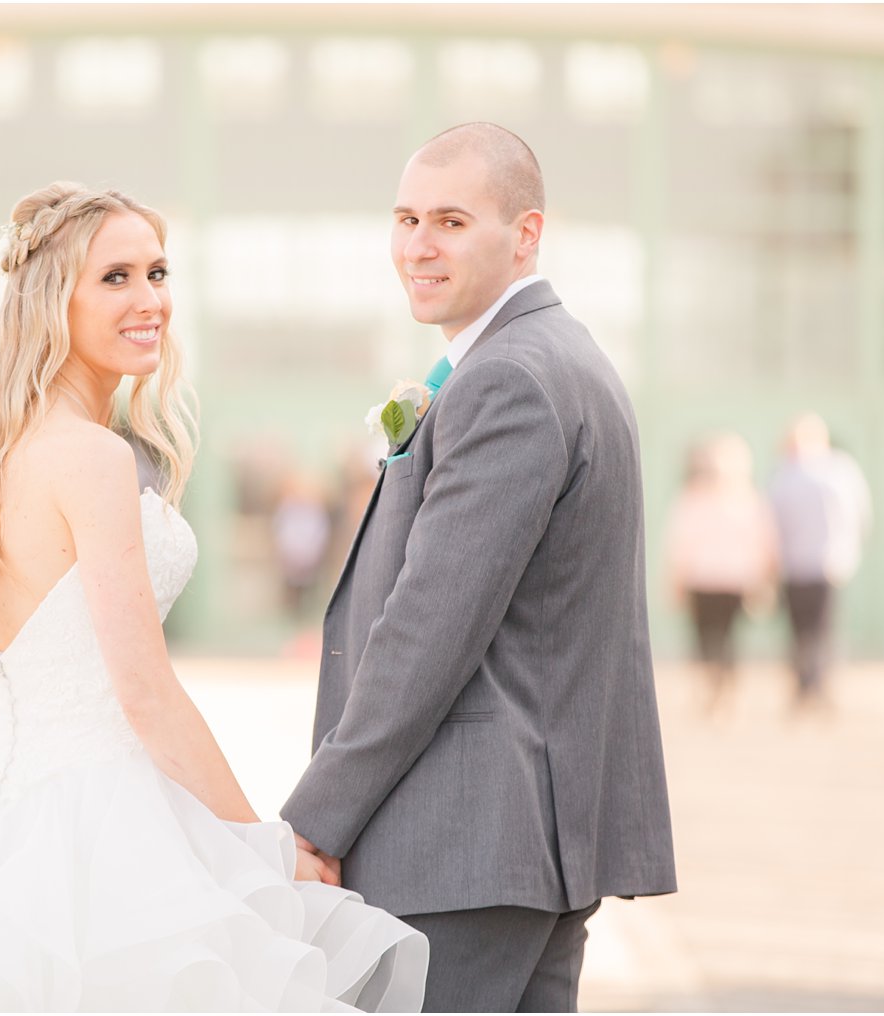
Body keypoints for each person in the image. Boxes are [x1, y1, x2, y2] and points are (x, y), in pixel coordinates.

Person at [0, 184, 427, 1012]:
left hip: (3, 813)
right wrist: (262, 846)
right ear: (55, 300)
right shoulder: (91, 459)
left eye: (157, 273)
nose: (150, 299)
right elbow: (146, 693)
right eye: (116, 278)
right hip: (104, 828)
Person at [280, 123, 678, 1013]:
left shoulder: (512, 379)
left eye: (451, 221)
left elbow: (429, 627)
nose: (418, 245)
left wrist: (318, 816)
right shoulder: (551, 360)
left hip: (461, 847)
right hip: (519, 843)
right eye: (406, 218)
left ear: (525, 234)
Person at [664, 433, 778, 717]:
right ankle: (716, 692)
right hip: (711, 580)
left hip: (724, 581)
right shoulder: (734, 500)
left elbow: (763, 544)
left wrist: (763, 580)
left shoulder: (739, 500)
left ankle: (720, 693)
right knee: (714, 640)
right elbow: (680, 544)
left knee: (718, 640)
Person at [767, 413, 873, 715]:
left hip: (798, 564)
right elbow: (860, 515)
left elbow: (773, 524)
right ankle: (816, 685)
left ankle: (806, 685)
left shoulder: (785, 475)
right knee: (821, 630)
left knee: (801, 630)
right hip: (827, 563)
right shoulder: (840, 471)